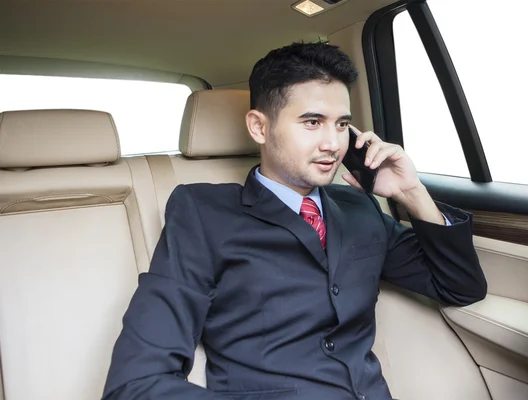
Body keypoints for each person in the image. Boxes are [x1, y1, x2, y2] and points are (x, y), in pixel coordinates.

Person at [102, 42, 487, 400]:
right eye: (312, 122)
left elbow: (460, 286)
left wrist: (411, 194)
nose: (333, 144)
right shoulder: (203, 213)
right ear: (259, 127)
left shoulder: (359, 207)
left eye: (341, 125)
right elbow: (137, 385)